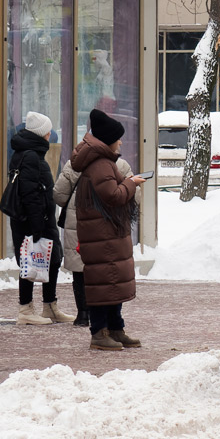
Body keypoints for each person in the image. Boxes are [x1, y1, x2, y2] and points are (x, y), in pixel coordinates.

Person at [71, 108, 145, 351]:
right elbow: (113, 196)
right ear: (108, 140)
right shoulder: (101, 164)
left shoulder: (100, 161)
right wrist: (131, 183)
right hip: (102, 235)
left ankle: (115, 328)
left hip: (104, 234)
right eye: (118, 138)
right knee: (103, 284)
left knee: (110, 283)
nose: (121, 142)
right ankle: (99, 332)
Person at [53, 145, 133, 328]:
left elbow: (58, 195)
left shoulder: (73, 165)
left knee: (80, 269)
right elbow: (133, 198)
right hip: (108, 224)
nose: (121, 143)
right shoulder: (120, 165)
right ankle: (108, 320)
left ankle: (82, 314)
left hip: (78, 222)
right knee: (105, 270)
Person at [8, 112, 73, 326]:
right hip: (34, 219)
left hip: (39, 217)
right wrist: (37, 225)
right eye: (47, 131)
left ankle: (50, 306)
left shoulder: (30, 153)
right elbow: (29, 193)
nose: (50, 135)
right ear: (42, 133)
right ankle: (25, 309)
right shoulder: (30, 156)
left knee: (53, 259)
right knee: (29, 260)